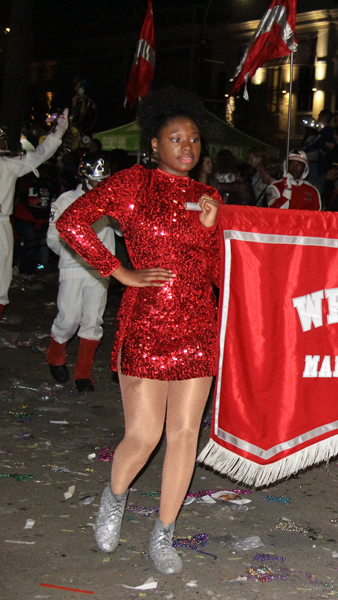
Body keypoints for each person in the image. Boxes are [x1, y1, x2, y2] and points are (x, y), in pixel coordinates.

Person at [55, 88, 220, 574]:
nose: (187, 147)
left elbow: (216, 273)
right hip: (147, 324)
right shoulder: (131, 184)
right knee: (144, 436)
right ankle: (115, 496)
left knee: (186, 435)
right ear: (154, 144)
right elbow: (73, 221)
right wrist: (118, 270)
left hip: (198, 325)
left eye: (193, 139)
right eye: (176, 138)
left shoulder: (207, 198)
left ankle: (164, 533)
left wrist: (212, 231)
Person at [45, 156, 116, 392]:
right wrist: (74, 253)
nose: (100, 185)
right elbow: (53, 238)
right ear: (84, 179)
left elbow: (125, 232)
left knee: (93, 320)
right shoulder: (65, 200)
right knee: (68, 318)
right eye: (96, 181)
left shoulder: (110, 201)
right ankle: (56, 355)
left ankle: (83, 373)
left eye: (103, 180)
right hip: (73, 266)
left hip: (101, 268)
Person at [0, 111, 68, 320]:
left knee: (2, 275)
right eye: (2, 141)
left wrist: (58, 132)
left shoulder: (9, 165)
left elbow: (40, 154)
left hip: (1, 224)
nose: (4, 145)